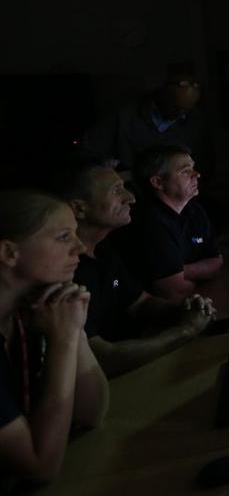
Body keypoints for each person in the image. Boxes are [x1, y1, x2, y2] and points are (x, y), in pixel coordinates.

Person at [57, 159, 216, 377]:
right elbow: (102, 359)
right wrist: (185, 332)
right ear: (78, 208)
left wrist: (185, 311)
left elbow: (140, 303)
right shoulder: (64, 271)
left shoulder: (103, 249)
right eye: (116, 191)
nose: (130, 198)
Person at [0, 190, 109, 488]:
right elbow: (40, 467)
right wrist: (64, 342)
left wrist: (74, 330)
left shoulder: (31, 311)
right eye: (63, 237)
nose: (80, 247)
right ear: (9, 253)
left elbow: (91, 413)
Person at [121, 145, 222, 303]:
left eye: (193, 168)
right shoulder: (150, 222)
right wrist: (197, 274)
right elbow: (174, 290)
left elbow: (217, 262)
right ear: (158, 182)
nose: (197, 174)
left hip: (199, 297)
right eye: (185, 171)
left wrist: (181, 271)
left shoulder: (194, 210)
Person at [81, 62, 209, 172]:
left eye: (185, 110)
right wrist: (104, 164)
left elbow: (204, 165)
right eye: (175, 107)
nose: (179, 114)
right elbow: (89, 150)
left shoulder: (194, 124)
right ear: (163, 96)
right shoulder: (125, 116)